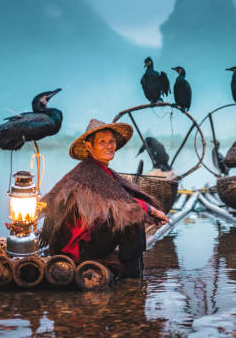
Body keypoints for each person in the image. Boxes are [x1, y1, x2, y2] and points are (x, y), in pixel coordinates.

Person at [39, 119, 168, 278]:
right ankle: (132, 279)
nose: (109, 145)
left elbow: (122, 196)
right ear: (89, 146)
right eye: (102, 142)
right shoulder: (88, 173)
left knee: (132, 214)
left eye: (112, 141)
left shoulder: (102, 171)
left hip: (88, 241)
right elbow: (121, 203)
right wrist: (152, 210)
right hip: (76, 250)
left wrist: (149, 210)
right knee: (132, 219)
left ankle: (134, 281)